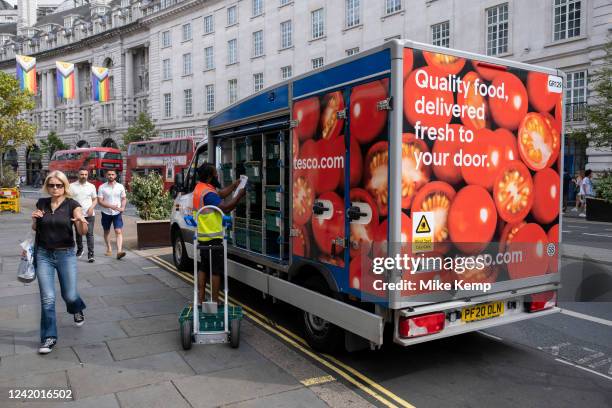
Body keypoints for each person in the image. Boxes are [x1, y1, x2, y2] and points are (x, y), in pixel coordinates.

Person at [31, 170, 88, 354]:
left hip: (66, 254)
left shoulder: (73, 204)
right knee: (48, 299)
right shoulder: (42, 203)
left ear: (65, 186)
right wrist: (35, 219)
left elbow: (82, 231)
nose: (55, 188)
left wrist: (80, 221)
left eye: (59, 185)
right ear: (47, 186)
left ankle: (77, 308)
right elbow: (35, 227)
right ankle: (49, 337)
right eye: (51, 185)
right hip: (43, 255)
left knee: (70, 295)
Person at [193, 163, 245, 305]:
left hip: (203, 235)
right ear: (210, 177)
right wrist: (239, 195)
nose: (217, 175)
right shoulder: (208, 194)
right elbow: (226, 208)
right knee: (215, 271)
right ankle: (215, 301)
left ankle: (201, 299)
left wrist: (234, 186)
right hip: (213, 237)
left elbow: (221, 194)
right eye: (215, 174)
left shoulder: (201, 188)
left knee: (203, 267)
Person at [97, 170, 127, 259]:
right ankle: (109, 248)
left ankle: (119, 251)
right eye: (109, 174)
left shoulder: (120, 186)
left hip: (117, 213)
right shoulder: (102, 187)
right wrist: (111, 206)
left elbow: (124, 198)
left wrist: (123, 207)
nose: (111, 176)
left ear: (116, 175)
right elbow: (100, 202)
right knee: (106, 231)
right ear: (106, 175)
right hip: (106, 213)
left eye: (112, 174)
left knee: (118, 231)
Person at [70, 168, 98, 262]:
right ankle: (80, 249)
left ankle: (91, 254)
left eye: (86, 174)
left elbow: (95, 199)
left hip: (89, 214)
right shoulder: (71, 186)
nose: (84, 176)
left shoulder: (91, 186)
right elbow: (68, 200)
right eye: (82, 174)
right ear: (78, 175)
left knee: (89, 234)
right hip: (77, 214)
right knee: (78, 233)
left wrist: (91, 208)